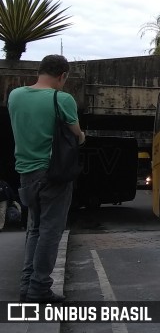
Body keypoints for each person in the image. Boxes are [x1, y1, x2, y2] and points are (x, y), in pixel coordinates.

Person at [8, 54, 86, 303]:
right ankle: (39, 287)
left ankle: (27, 284)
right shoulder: (61, 99)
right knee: (51, 232)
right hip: (53, 174)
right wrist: (82, 136)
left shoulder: (15, 96)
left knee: (34, 229)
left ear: (39, 70)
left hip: (25, 174)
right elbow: (76, 134)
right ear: (62, 76)